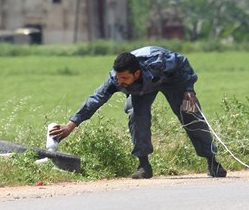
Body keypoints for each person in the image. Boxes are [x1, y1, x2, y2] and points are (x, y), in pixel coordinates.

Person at [49, 45, 227, 179]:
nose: (121, 82)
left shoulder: (158, 61)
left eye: (125, 78)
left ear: (136, 73)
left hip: (172, 79)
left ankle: (212, 161)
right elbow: (95, 100)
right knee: (136, 114)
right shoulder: (116, 80)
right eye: (119, 78)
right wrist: (71, 125)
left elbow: (182, 62)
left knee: (190, 114)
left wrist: (189, 89)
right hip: (142, 89)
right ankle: (144, 166)